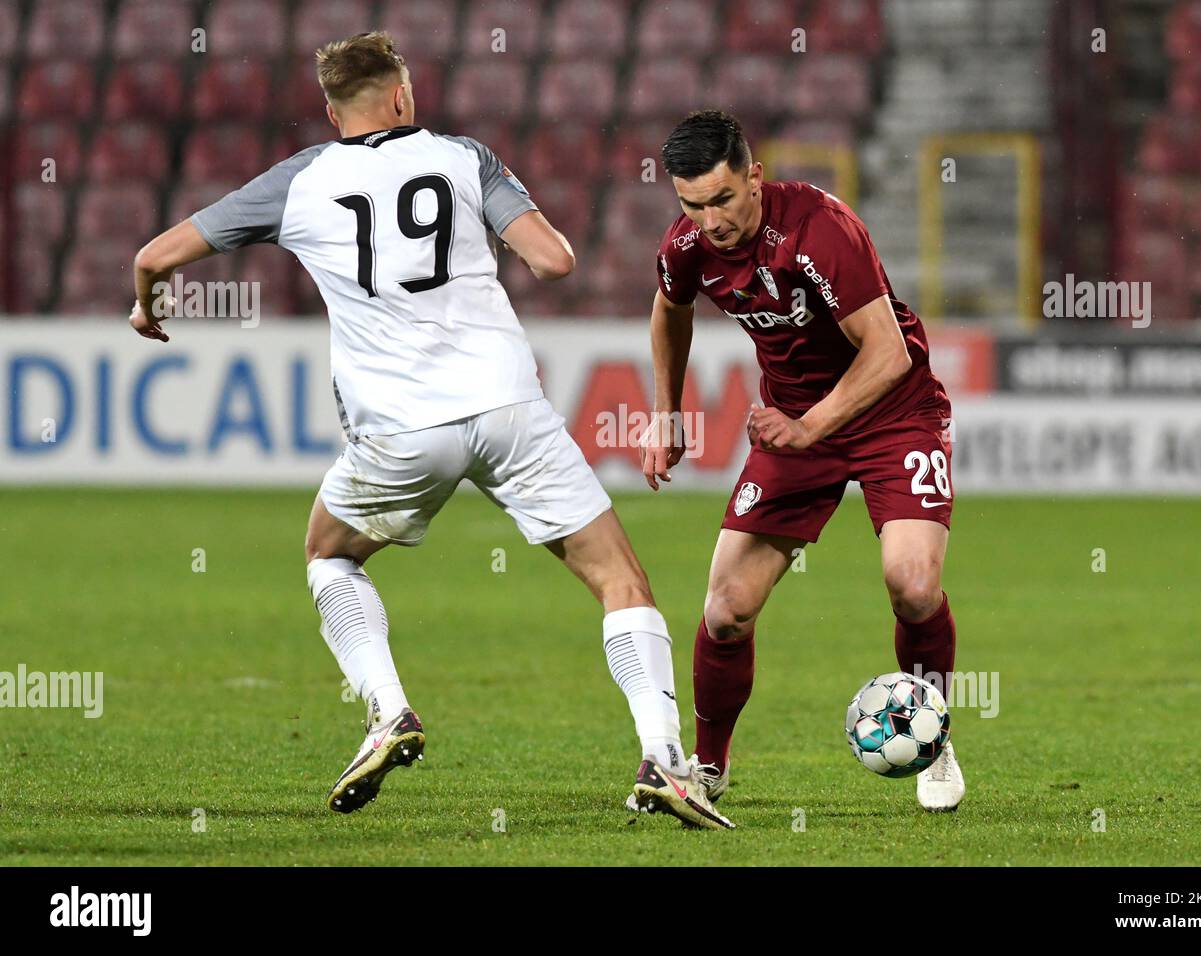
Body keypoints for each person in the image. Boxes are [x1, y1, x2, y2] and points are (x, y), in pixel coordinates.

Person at [128, 33, 730, 829]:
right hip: (509, 408)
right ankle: (663, 760)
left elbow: (154, 254)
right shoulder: (463, 157)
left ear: (332, 110)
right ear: (404, 97)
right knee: (622, 583)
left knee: (328, 554)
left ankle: (388, 712)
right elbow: (554, 261)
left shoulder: (298, 180)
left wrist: (150, 304)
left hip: (402, 430)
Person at [639, 110, 965, 815]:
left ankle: (933, 736)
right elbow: (670, 309)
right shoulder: (689, 243)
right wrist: (665, 413)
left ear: (754, 177)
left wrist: (807, 426)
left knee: (911, 585)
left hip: (893, 415)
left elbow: (888, 352)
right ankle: (709, 767)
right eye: (692, 204)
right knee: (725, 610)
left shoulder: (819, 229)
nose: (711, 219)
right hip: (796, 427)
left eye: (723, 199)